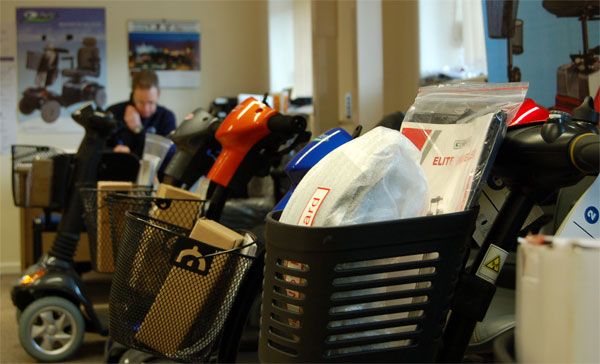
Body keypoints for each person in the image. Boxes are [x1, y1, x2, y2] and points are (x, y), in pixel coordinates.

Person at [105, 69, 176, 159]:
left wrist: (138, 129)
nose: (146, 109)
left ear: (158, 93)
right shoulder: (114, 112)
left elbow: (165, 155)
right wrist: (114, 151)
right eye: (140, 102)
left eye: (151, 102)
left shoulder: (166, 117)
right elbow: (99, 148)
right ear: (133, 93)